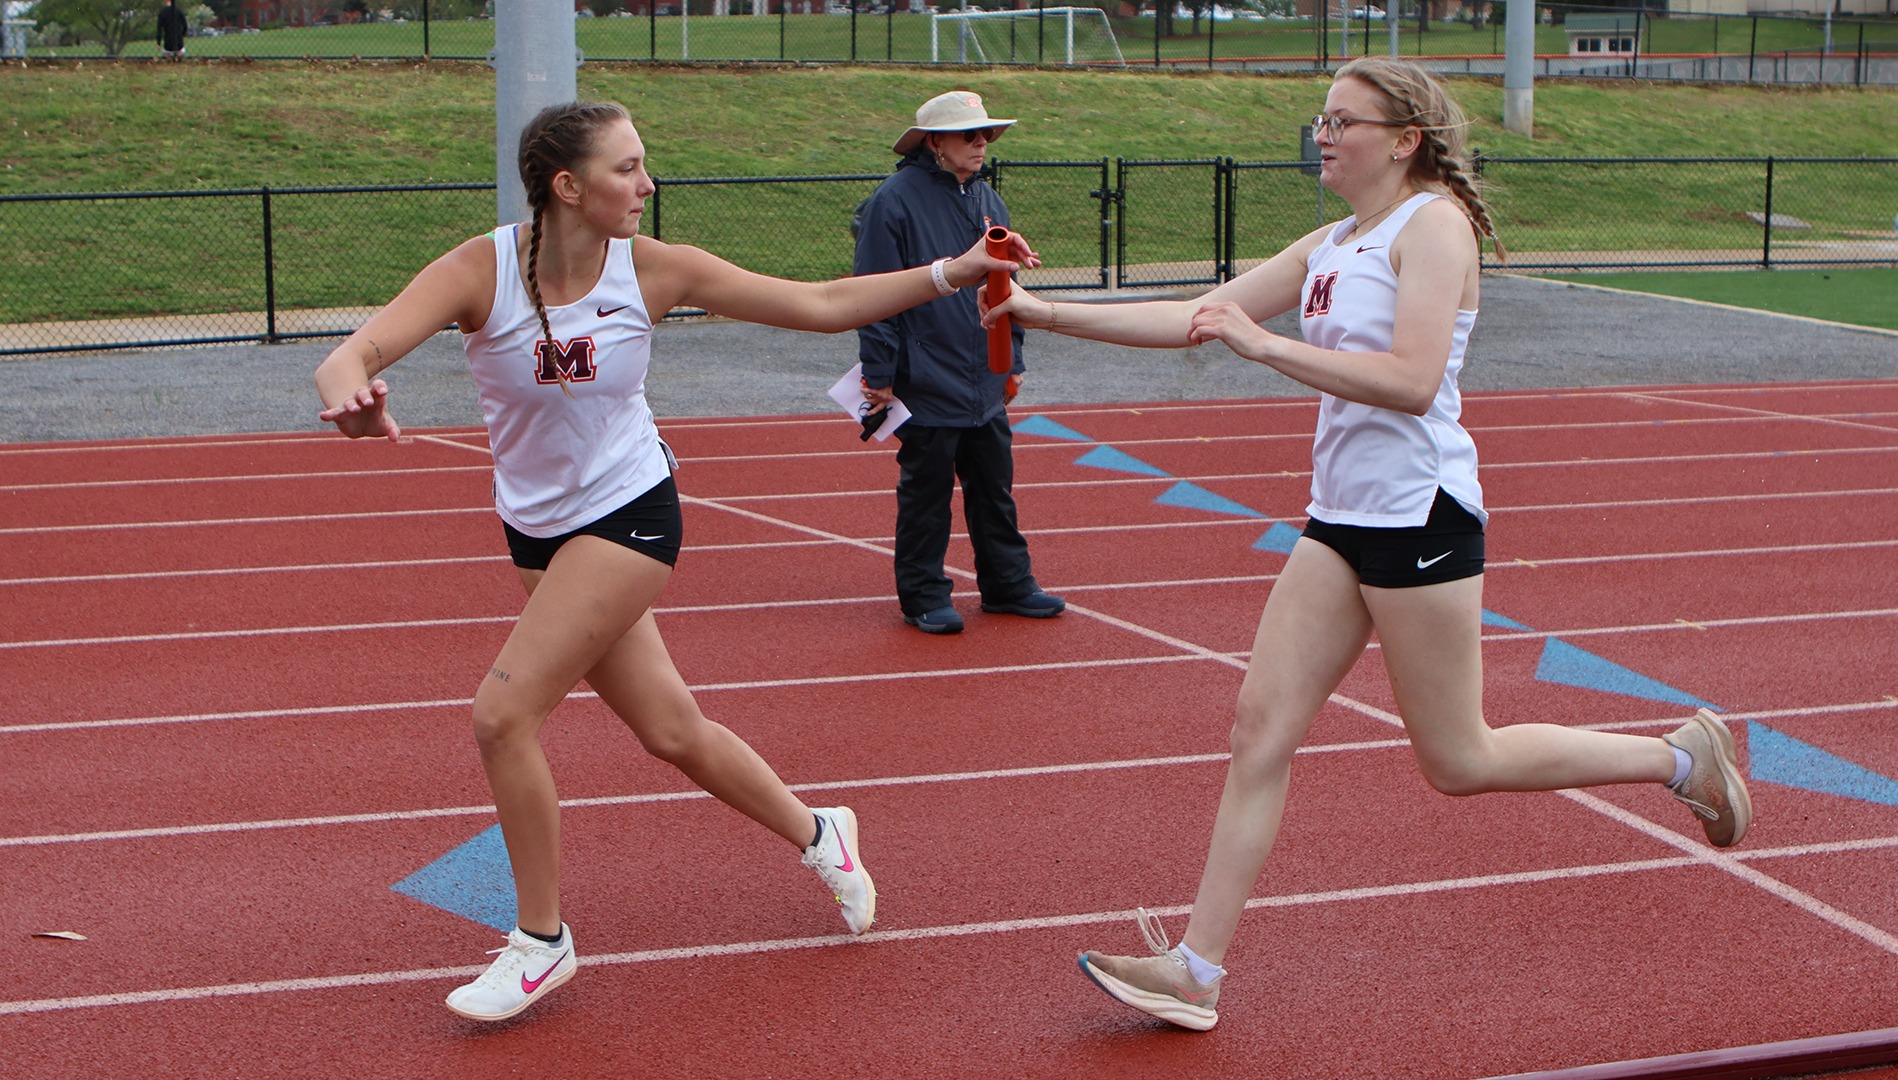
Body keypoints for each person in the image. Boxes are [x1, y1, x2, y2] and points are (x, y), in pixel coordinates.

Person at [983, 58, 1753, 1031]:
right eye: (1321, 117)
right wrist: (1042, 312)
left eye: (1344, 120)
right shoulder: (1335, 239)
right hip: (1340, 521)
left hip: (1420, 518)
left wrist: (1267, 349)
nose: (1323, 133)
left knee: (1459, 758)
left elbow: (1412, 379)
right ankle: (1195, 971)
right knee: (1257, 730)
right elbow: (1199, 318)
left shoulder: (1432, 226)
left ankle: (1679, 758)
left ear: (1403, 139)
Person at [314, 100, 1035, 1023]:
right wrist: (357, 400)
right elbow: (353, 354)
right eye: (627, 169)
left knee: (501, 716)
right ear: (567, 187)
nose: (647, 185)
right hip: (536, 530)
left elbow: (816, 304)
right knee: (672, 730)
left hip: (630, 514)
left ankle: (541, 942)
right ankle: (822, 833)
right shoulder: (481, 270)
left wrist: (954, 270)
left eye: (644, 164)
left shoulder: (654, 271)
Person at [854, 90, 1066, 635]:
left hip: (982, 376)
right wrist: (878, 376)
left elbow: (1006, 288)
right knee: (926, 495)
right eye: (969, 134)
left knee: (994, 487)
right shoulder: (892, 202)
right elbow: (871, 294)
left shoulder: (988, 199)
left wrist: (1011, 359)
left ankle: (1007, 585)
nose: (982, 142)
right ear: (934, 143)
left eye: (986, 134)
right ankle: (924, 594)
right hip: (923, 378)